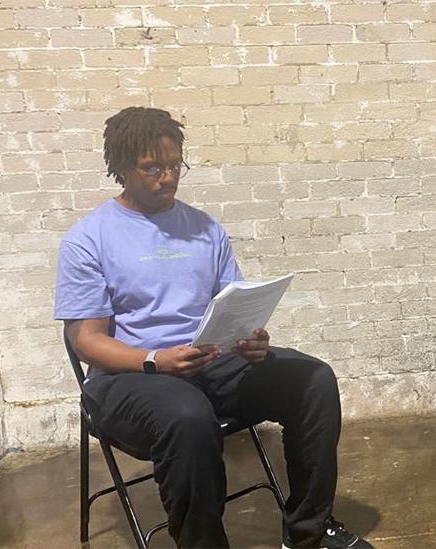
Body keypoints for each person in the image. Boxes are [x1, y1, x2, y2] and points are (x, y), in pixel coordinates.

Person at [55, 107, 373, 549]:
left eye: (174, 166)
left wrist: (250, 337)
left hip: (208, 361)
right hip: (128, 377)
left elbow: (232, 303)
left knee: (313, 380)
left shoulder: (205, 228)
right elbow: (86, 341)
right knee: (187, 416)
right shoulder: (89, 239)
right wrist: (155, 361)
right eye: (153, 168)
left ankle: (310, 534)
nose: (167, 178)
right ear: (122, 167)